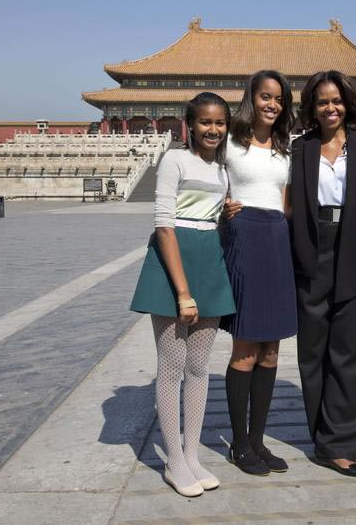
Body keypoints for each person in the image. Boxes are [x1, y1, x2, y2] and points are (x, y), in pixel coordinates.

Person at [129, 93, 236, 497]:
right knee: (171, 368)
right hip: (173, 266)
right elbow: (165, 225)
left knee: (199, 368)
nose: (213, 130)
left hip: (209, 260)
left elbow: (207, 216)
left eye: (220, 123)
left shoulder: (222, 168)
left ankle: (192, 454)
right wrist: (183, 292)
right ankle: (173, 459)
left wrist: (226, 213)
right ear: (189, 124)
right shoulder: (173, 159)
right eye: (205, 122)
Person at [289, 70, 356, 478]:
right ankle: (320, 436)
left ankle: (344, 443)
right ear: (311, 106)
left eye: (337, 101)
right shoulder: (299, 148)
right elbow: (285, 201)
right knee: (312, 349)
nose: (330, 108)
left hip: (354, 244)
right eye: (322, 101)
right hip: (311, 244)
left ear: (348, 104)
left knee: (350, 349)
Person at [220, 70, 297, 476]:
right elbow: (206, 186)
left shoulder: (285, 147)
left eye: (279, 99)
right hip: (245, 238)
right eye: (265, 96)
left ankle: (259, 440)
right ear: (251, 97)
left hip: (277, 239)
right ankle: (238, 442)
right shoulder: (230, 142)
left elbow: (286, 203)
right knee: (246, 349)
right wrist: (221, 208)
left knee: (271, 352)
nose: (272, 104)